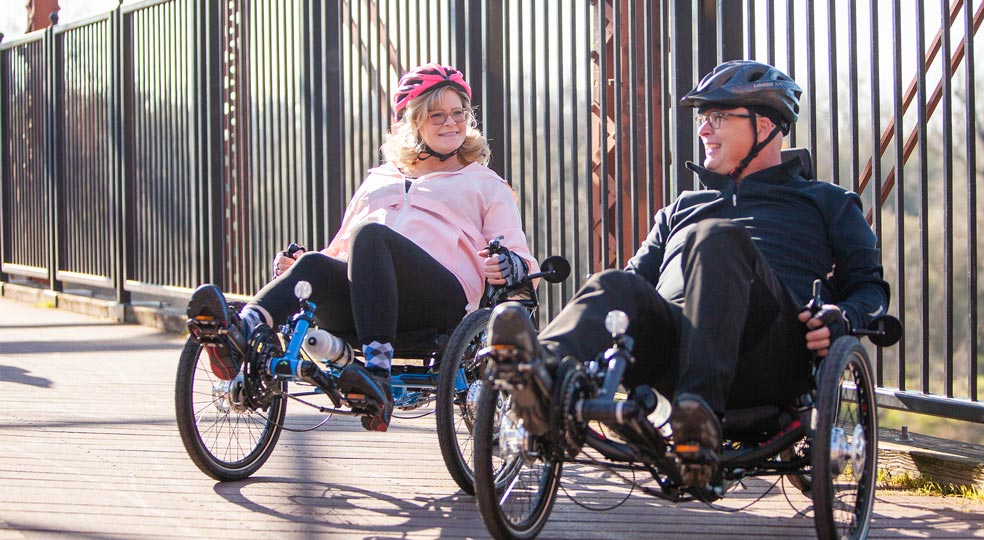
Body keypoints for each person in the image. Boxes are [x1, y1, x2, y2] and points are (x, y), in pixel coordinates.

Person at [488, 60, 889, 484]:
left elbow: (869, 288)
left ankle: (699, 414)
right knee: (614, 283)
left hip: (769, 351)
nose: (703, 130)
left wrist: (843, 318)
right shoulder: (681, 209)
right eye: (703, 118)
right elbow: (633, 288)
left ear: (767, 125)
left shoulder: (827, 202)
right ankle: (538, 374)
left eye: (717, 117)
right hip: (674, 352)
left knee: (716, 237)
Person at [187, 63, 538, 433]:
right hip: (364, 308)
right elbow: (340, 251)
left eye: (459, 113)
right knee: (315, 263)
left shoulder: (485, 184)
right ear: (413, 122)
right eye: (437, 115)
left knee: (371, 237)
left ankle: (377, 374)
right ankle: (236, 334)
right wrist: (297, 266)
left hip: (437, 305)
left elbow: (522, 262)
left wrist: (508, 265)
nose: (451, 123)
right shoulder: (379, 180)